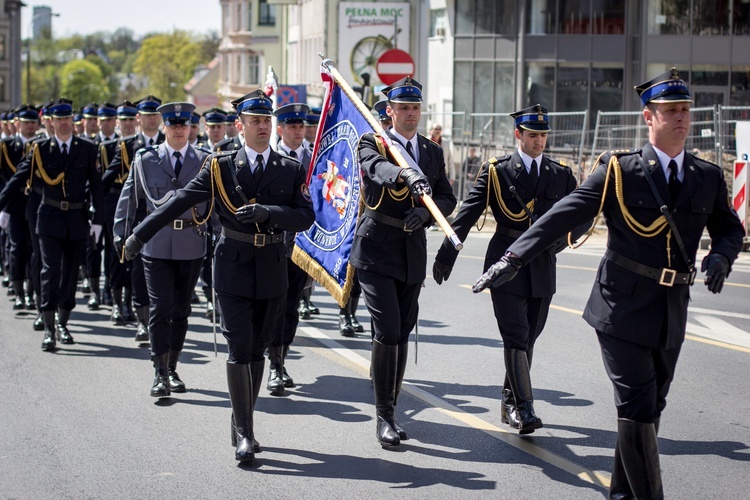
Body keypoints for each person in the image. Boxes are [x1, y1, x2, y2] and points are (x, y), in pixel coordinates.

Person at [473, 68, 745, 498]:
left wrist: (722, 256)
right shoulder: (620, 171)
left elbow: (731, 229)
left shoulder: (706, 176)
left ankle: (620, 492)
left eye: (685, 111)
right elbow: (558, 217)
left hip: (671, 309)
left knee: (650, 410)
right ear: (648, 116)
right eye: (670, 110)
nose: (681, 118)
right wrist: (510, 258)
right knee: (637, 405)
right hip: (619, 310)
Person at [121, 89, 314, 462]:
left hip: (272, 267)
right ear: (240, 126)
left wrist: (269, 213)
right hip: (232, 267)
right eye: (255, 121)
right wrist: (137, 235)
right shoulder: (219, 166)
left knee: (257, 349)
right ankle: (245, 431)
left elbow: (305, 215)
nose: (262, 126)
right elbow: (179, 201)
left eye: (266, 120)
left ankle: (242, 417)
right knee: (239, 347)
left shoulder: (289, 169)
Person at [434, 104, 584, 435]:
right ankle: (524, 409)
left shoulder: (560, 174)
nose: (539, 142)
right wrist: (447, 253)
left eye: (544, 135)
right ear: (518, 134)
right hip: (504, 261)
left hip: (543, 264)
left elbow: (582, 211)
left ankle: (508, 401)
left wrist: (564, 239)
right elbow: (468, 214)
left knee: (529, 336)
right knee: (515, 333)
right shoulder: (497, 170)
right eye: (533, 135)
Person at [354, 76, 457, 447]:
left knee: (401, 330)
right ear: (390, 111)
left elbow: (448, 197)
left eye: (415, 108)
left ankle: (391, 404)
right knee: (388, 328)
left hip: (411, 250)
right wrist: (404, 173)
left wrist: (428, 216)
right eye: (403, 109)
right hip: (376, 248)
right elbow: (374, 169)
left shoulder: (431, 151)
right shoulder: (375, 142)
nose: (410, 114)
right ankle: (384, 415)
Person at [113, 102, 209, 397]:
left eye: (184, 124)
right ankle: (159, 372)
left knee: (181, 309)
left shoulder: (207, 160)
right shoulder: (146, 160)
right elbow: (129, 200)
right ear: (164, 127)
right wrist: (121, 235)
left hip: (191, 243)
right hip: (154, 246)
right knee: (160, 307)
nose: (179, 129)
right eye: (174, 124)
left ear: (191, 128)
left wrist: (220, 239)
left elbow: (214, 206)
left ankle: (173, 366)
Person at [0, 98, 105, 350]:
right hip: (48, 218)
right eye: (59, 120)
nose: (64, 124)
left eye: (67, 119)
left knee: (70, 274)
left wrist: (98, 221)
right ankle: (48, 327)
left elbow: (97, 186)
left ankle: (63, 323)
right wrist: (2, 205)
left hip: (77, 219)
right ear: (51, 122)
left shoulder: (86, 148)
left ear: (72, 121)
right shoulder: (40, 149)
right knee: (50, 270)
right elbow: (18, 178)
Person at [104, 95, 164, 329]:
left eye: (154, 115)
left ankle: (156, 315)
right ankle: (135, 313)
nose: (151, 120)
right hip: (136, 215)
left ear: (159, 117)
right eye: (146, 115)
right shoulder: (127, 146)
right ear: (139, 118)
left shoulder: (167, 142)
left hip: (163, 215)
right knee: (132, 266)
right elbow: (108, 179)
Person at [265, 102, 312, 395]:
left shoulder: (316, 157)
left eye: (301, 126)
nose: (298, 131)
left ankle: (280, 362)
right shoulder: (271, 158)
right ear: (280, 129)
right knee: (273, 306)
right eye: (292, 126)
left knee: (291, 306)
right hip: (271, 245)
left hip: (302, 245)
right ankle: (271, 362)